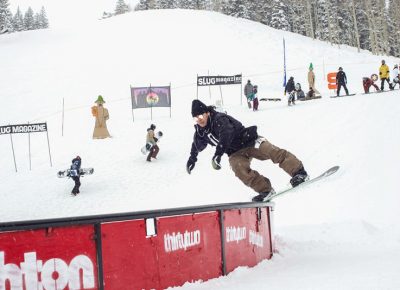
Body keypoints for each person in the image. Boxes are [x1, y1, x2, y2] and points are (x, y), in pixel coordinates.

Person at [186, 99, 308, 202]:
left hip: (249, 141)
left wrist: (218, 154)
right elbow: (195, 145)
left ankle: (299, 172)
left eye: (201, 116)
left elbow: (226, 134)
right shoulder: (201, 132)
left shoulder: (219, 119)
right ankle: (265, 190)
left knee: (271, 151)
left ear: (207, 113)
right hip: (235, 152)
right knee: (238, 168)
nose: (199, 120)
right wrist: (192, 160)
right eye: (195, 118)